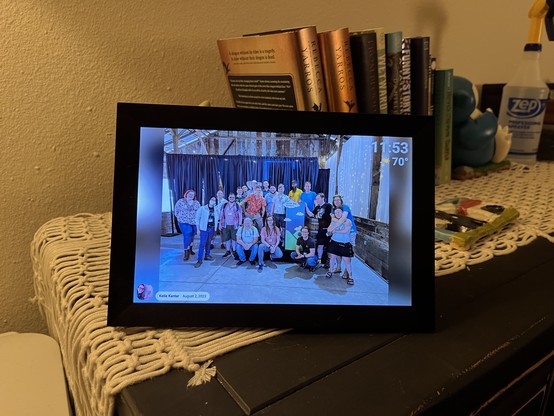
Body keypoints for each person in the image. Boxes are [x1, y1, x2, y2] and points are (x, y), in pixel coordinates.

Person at [325, 208, 354, 285]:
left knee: (347, 261)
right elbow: (328, 229)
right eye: (335, 212)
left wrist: (335, 230)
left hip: (344, 243)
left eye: (339, 212)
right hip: (334, 242)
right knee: (332, 258)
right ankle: (330, 271)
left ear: (342, 213)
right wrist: (332, 224)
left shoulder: (348, 221)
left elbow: (345, 231)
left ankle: (351, 277)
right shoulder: (334, 221)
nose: (337, 213)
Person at [306, 193, 333, 268]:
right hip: (320, 229)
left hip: (328, 229)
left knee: (328, 247)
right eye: (316, 198)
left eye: (318, 198)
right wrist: (306, 207)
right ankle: (319, 261)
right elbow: (311, 214)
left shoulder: (328, 205)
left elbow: (319, 215)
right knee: (320, 246)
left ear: (322, 198)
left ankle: (329, 262)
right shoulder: (317, 207)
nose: (316, 200)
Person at [174, 189, 200, 261]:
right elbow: (176, 211)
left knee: (192, 235)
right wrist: (179, 218)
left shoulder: (196, 203)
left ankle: (190, 248)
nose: (191, 195)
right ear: (186, 194)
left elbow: (199, 212)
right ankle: (186, 252)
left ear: (194, 196)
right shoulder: (180, 201)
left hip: (194, 222)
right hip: (184, 222)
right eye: (189, 194)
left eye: (192, 194)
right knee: (187, 234)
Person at [194, 196, 219, 268]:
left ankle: (207, 255)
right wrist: (198, 229)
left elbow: (217, 219)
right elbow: (197, 219)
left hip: (211, 228)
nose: (213, 201)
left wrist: (215, 230)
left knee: (209, 243)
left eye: (214, 200)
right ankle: (199, 259)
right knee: (202, 243)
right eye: (212, 199)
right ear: (209, 200)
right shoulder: (202, 208)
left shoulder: (215, 209)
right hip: (204, 229)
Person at [219, 193, 242, 259]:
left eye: (233, 197)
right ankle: (228, 251)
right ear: (228, 198)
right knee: (227, 239)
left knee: (234, 239)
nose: (231, 198)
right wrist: (220, 224)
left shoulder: (237, 206)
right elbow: (221, 215)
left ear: (235, 198)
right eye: (230, 197)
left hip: (234, 225)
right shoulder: (224, 205)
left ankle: (234, 251)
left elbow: (240, 215)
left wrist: (240, 224)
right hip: (225, 225)